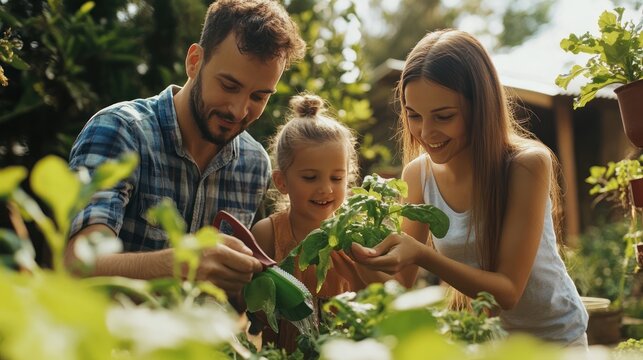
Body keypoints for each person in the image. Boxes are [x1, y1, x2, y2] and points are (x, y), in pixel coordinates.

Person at [351, 29, 589, 346]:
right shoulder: (418, 175)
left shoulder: (526, 165)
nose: (426, 132)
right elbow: (399, 286)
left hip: (556, 340)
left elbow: (507, 291)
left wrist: (422, 254)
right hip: (487, 343)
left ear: (481, 107)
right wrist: (358, 253)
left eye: (444, 116)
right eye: (414, 116)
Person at [64, 0, 306, 298]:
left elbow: (245, 303)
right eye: (229, 86)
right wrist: (182, 264)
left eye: (259, 96)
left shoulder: (255, 164)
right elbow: (78, 267)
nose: (239, 110)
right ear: (194, 61)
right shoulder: (120, 131)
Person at [250, 94, 390, 352]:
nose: (325, 189)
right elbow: (252, 310)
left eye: (336, 178)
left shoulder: (354, 237)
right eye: (310, 177)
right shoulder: (268, 234)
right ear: (282, 182)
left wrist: (360, 262)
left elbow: (382, 299)